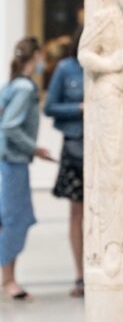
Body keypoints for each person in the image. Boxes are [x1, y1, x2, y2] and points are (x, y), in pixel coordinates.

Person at [0, 37, 53, 300]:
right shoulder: (24, 88)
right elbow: (9, 125)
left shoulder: (13, 85)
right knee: (15, 220)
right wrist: (33, 147)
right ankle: (9, 280)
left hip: (11, 161)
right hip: (13, 162)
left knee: (12, 218)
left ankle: (8, 278)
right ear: (38, 55)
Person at [44, 27, 85, 297]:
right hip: (74, 146)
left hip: (103, 146)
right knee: (77, 213)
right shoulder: (66, 69)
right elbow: (49, 106)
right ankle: (80, 275)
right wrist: (78, 109)